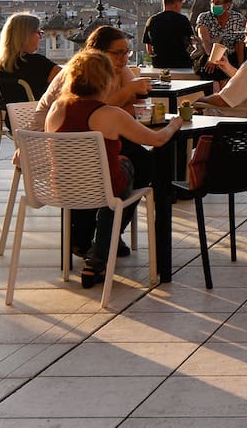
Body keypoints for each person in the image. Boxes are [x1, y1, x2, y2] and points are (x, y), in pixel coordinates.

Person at [45, 50, 182, 289]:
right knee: (128, 167)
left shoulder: (57, 108)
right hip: (103, 188)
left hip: (63, 189)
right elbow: (157, 140)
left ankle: (95, 250)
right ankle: (100, 253)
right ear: (105, 80)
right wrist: (174, 125)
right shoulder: (110, 114)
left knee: (113, 178)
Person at [32, 26, 154, 257]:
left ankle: (106, 234)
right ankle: (96, 236)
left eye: (126, 52)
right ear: (97, 53)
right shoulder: (79, 73)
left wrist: (127, 91)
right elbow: (90, 109)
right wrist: (127, 91)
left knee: (139, 160)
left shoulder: (117, 69)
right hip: (56, 145)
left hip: (86, 137)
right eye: (117, 53)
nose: (123, 58)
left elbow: (125, 107)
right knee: (133, 163)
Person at [0, 13, 60, 99]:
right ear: (26, 36)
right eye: (38, 32)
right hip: (36, 111)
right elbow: (67, 77)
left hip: (13, 112)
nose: (40, 37)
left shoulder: (0, 64)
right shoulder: (38, 63)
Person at [195, 0, 246, 85]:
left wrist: (240, 65)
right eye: (212, 2)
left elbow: (239, 42)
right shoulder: (204, 17)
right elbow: (204, 39)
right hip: (209, 54)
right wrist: (212, 57)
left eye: (217, 3)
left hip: (230, 56)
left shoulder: (237, 18)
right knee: (211, 72)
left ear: (227, 5)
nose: (214, 5)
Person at [142, 0, 194, 69]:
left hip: (159, 64)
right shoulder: (183, 20)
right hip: (182, 63)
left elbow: (149, 48)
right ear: (176, 4)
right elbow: (192, 41)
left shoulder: (152, 20)